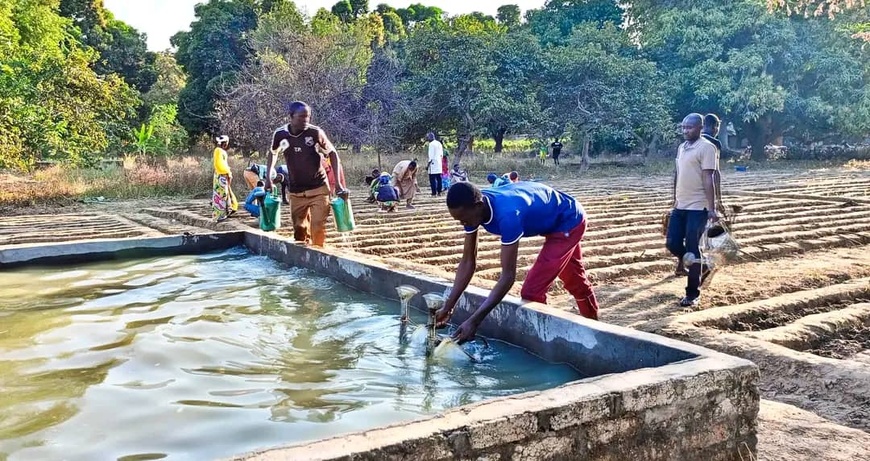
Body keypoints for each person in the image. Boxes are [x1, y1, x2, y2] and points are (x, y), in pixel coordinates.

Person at [435, 181, 599, 343]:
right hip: (554, 216)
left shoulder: (508, 215)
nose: (464, 224)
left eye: (464, 220)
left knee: (531, 292)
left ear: (478, 206)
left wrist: (474, 321)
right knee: (574, 279)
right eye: (459, 221)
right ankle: (595, 327)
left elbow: (508, 276)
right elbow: (468, 262)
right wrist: (448, 307)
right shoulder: (473, 207)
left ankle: (544, 347)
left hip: (568, 221)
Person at [266, 101, 348, 247]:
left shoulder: (315, 132)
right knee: (299, 230)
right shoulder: (281, 135)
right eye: (301, 117)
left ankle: (318, 256)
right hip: (296, 191)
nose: (305, 121)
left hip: (318, 188)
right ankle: (304, 262)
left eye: (308, 117)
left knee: (317, 227)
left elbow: (333, 153)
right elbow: (272, 153)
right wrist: (268, 178)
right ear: (291, 116)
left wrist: (339, 183)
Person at [666, 113, 720, 308]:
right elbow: (678, 174)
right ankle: (702, 266)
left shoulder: (707, 148)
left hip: (698, 207)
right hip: (681, 205)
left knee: (692, 248)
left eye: (689, 127)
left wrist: (712, 208)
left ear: (700, 127)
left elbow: (709, 178)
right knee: (672, 242)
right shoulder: (682, 147)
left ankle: (692, 294)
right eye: (683, 127)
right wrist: (674, 199)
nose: (685, 131)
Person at [212, 135, 238, 222]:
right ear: (225, 143)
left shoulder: (218, 150)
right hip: (221, 175)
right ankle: (221, 215)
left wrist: (228, 171)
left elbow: (221, 164)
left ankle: (224, 213)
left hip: (220, 175)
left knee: (223, 195)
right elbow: (220, 164)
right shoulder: (219, 151)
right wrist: (227, 173)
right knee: (222, 195)